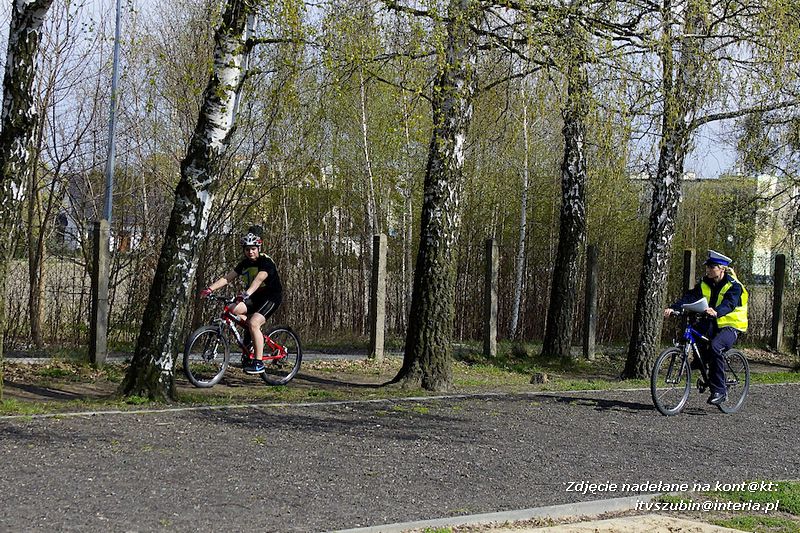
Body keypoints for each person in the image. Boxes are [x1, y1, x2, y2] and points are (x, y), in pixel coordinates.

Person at [663, 250, 748, 406]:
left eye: (712, 267)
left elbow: (729, 303)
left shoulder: (734, 286)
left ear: (722, 268)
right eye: (707, 267)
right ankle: (701, 361)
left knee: (716, 346)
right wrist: (673, 308)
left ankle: (720, 391)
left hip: (731, 326)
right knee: (694, 335)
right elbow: (690, 297)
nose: (708, 270)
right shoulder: (704, 283)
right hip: (712, 323)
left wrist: (717, 311)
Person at [200, 232, 283, 374]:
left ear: (258, 248)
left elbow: (259, 279)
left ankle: (258, 363)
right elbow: (227, 278)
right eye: (247, 249)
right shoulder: (244, 263)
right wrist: (209, 289)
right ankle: (253, 340)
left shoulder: (266, 262)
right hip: (255, 296)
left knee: (254, 323)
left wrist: (246, 294)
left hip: (271, 297)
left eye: (253, 248)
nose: (250, 252)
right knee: (233, 309)